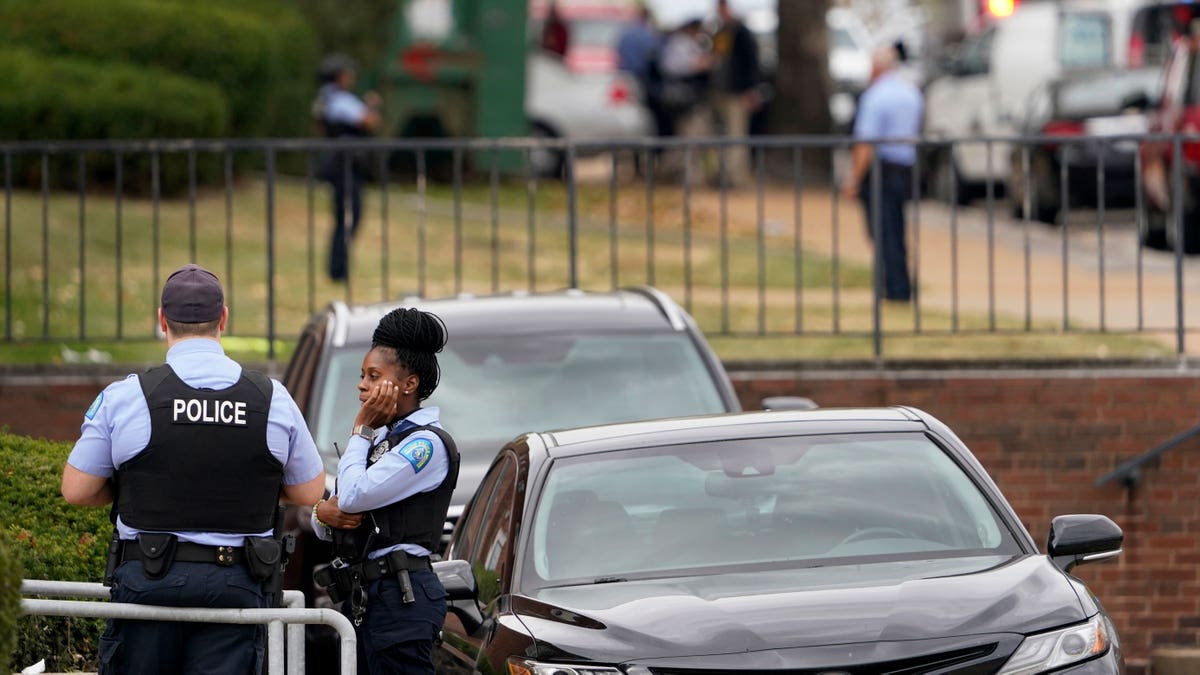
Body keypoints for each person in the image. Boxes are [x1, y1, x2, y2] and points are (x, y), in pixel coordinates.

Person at [60, 263, 326, 675]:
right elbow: (309, 492)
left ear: (161, 321)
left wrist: (134, 485)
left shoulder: (127, 396)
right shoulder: (272, 398)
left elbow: (77, 489)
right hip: (237, 583)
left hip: (150, 581)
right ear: (223, 319)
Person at [310, 306, 460, 675]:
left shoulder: (424, 444)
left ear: (408, 384)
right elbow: (336, 512)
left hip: (401, 596)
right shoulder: (381, 443)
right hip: (365, 596)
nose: (361, 385)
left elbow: (354, 497)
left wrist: (360, 429)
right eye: (362, 375)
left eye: (373, 376)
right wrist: (320, 515)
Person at [840, 42, 924, 303]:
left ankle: (894, 288)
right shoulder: (911, 93)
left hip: (882, 169)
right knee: (896, 230)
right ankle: (901, 285)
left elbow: (865, 142)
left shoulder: (875, 96)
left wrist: (854, 177)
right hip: (905, 167)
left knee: (881, 231)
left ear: (876, 67)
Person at [313, 54, 382, 282]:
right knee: (350, 216)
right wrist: (372, 104)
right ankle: (338, 270)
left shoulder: (325, 98)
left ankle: (339, 268)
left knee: (344, 216)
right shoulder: (339, 99)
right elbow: (368, 121)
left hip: (339, 163)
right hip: (345, 165)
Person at [709, 0, 762, 187]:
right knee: (723, 135)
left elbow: (752, 63)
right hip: (722, 92)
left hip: (738, 92)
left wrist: (751, 90)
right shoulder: (721, 31)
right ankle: (724, 175)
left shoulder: (741, 32)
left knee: (737, 135)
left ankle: (737, 177)